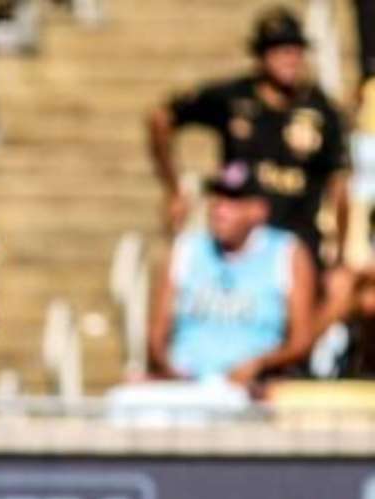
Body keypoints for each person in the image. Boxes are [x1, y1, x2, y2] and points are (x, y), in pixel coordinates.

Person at [147, 6, 354, 344]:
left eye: (295, 49)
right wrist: (173, 187)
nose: (290, 58)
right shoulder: (233, 98)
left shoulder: (322, 110)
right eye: (279, 50)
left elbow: (339, 186)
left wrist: (339, 254)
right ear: (260, 56)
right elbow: (161, 118)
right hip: (236, 245)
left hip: (298, 241)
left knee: (325, 306)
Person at [149, 162, 314, 384]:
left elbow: (301, 342)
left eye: (232, 201)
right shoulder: (186, 249)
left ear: (258, 210)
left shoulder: (286, 252)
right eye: (217, 198)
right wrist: (169, 370)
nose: (220, 210)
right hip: (187, 383)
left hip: (251, 388)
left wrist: (260, 365)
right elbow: (156, 337)